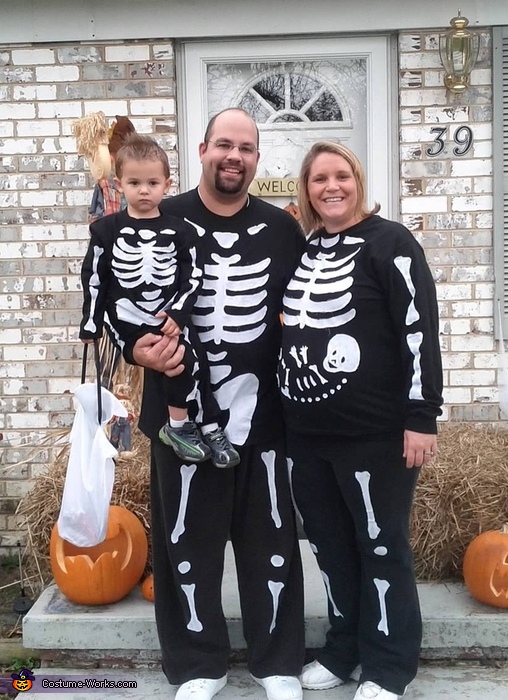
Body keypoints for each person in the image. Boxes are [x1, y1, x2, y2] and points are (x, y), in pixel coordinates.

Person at [113, 108, 306, 700]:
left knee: (270, 538)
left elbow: (307, 314)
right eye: (224, 144)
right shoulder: (156, 215)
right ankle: (198, 664)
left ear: (255, 159)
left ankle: (277, 662)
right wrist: (139, 353)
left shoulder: (281, 229)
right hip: (180, 418)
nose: (234, 156)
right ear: (201, 149)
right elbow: (116, 297)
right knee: (184, 543)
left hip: (262, 417)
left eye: (246, 148)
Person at [278, 141, 443, 700]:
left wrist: (422, 417)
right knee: (328, 546)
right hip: (307, 436)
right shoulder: (303, 250)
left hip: (374, 435)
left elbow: (419, 331)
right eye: (319, 178)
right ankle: (344, 648)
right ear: (307, 188)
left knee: (380, 546)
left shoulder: (390, 243)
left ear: (358, 180)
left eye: (341, 176)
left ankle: (389, 665)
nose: (332, 187)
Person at [79, 133, 239, 468]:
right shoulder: (106, 231)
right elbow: (95, 276)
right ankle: (183, 427)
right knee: (178, 362)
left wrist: (178, 314)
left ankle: (203, 427)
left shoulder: (182, 231)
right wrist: (92, 322)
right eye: (134, 182)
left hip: (166, 317)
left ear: (166, 184)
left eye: (152, 182)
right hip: (126, 317)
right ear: (120, 185)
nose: (143, 190)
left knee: (194, 362)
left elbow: (193, 276)